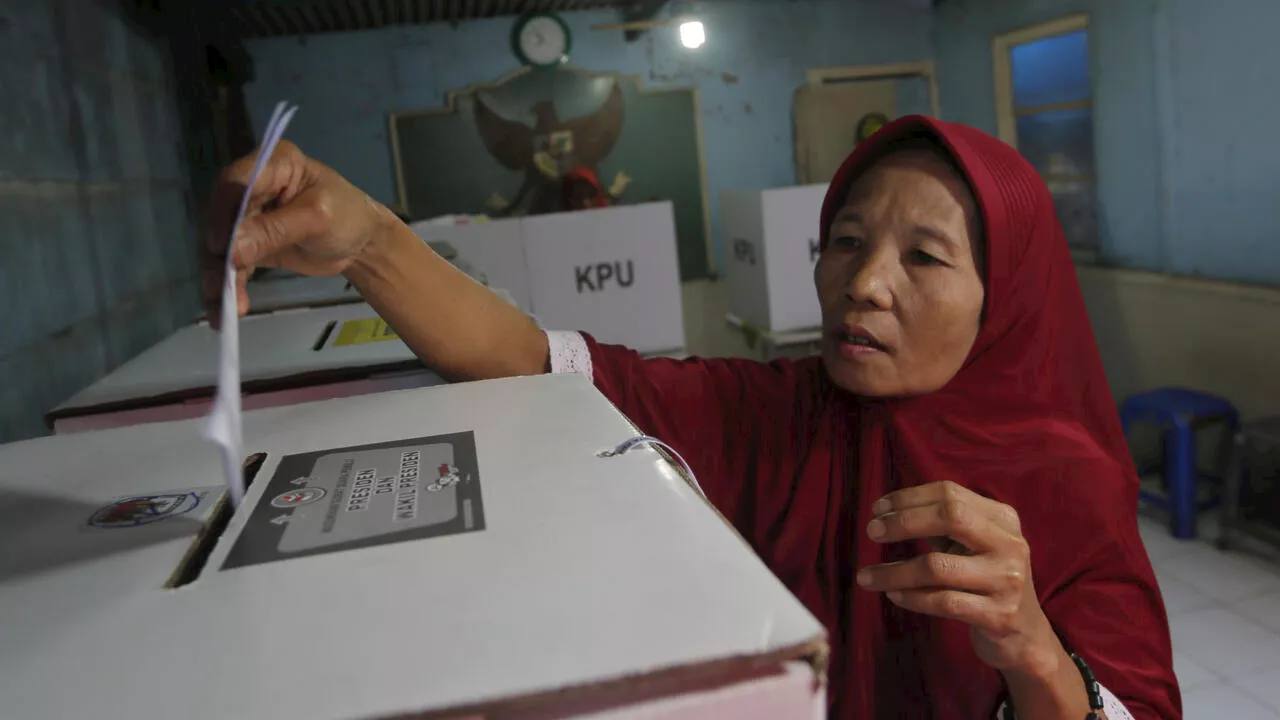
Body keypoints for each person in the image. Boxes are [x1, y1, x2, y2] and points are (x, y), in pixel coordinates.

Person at [205, 115, 1179, 719]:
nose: (864, 283)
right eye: (844, 241)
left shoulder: (1067, 482)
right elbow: (533, 360)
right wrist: (370, 241)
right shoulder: (775, 412)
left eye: (922, 258)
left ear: (1005, 294)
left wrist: (1034, 655)